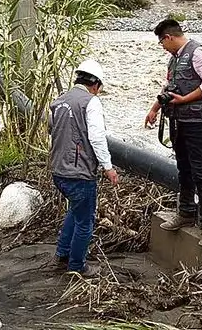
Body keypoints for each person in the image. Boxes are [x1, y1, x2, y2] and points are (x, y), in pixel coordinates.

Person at [144, 19, 202, 247]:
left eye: (161, 42)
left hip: (198, 122)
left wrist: (185, 100)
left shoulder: (198, 53)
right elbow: (169, 89)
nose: (162, 46)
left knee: (200, 171)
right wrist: (155, 108)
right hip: (178, 121)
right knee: (183, 169)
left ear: (169, 37)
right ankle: (186, 211)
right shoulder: (174, 61)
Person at [48, 59, 119, 277]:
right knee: (85, 222)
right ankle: (77, 266)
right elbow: (97, 138)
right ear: (96, 84)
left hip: (58, 171)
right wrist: (108, 167)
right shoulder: (91, 103)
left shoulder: (59, 101)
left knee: (75, 210)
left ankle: (63, 253)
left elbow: (52, 129)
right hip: (79, 173)